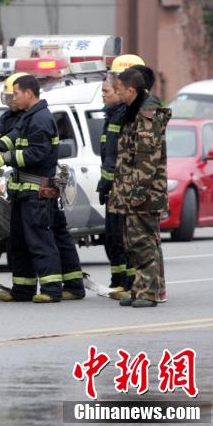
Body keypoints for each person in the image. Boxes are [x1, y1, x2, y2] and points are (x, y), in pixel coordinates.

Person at [0, 74, 65, 303]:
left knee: (39, 241)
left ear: (29, 93)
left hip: (36, 192)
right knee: (18, 242)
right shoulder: (28, 118)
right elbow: (13, 137)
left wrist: (5, 158)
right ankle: (22, 289)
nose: (14, 97)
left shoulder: (41, 120)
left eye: (16, 93)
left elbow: (37, 153)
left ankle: (51, 290)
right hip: (22, 192)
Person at [109, 67, 170, 308]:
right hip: (134, 189)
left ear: (131, 90)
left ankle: (149, 292)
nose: (117, 94)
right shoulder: (135, 110)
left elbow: (147, 158)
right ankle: (145, 288)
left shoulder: (147, 113)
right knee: (138, 241)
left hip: (143, 192)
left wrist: (137, 192)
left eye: (119, 90)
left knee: (141, 242)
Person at [98, 73, 132, 297]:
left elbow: (115, 156)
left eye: (106, 91)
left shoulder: (124, 116)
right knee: (111, 237)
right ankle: (118, 280)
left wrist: (107, 182)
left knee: (123, 237)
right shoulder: (111, 116)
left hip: (122, 188)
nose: (103, 95)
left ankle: (130, 283)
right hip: (112, 188)